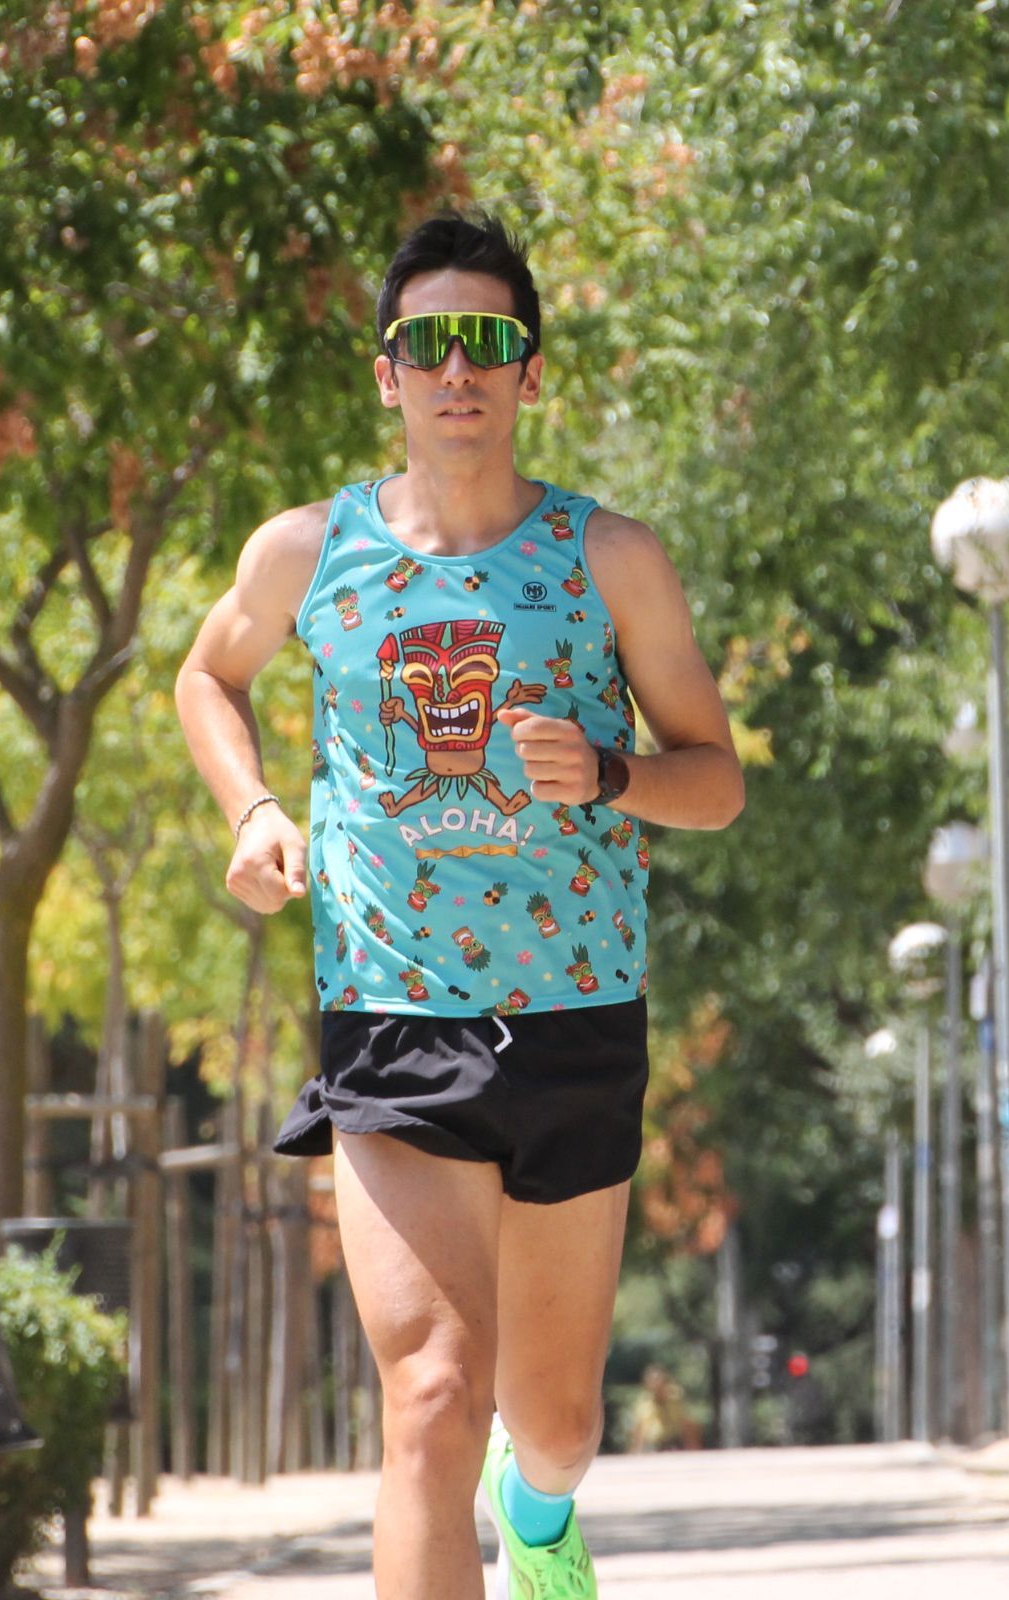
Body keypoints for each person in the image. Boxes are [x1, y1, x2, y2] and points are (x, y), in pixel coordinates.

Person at [175, 211, 744, 1600]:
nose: (457, 369)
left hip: (576, 1013)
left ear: (528, 372)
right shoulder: (309, 553)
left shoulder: (611, 559)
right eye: (427, 342)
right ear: (388, 373)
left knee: (555, 1425)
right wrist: (253, 811)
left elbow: (716, 780)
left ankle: (536, 1517)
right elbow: (207, 676)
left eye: (486, 341)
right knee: (432, 1392)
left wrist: (612, 772)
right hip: (394, 1015)